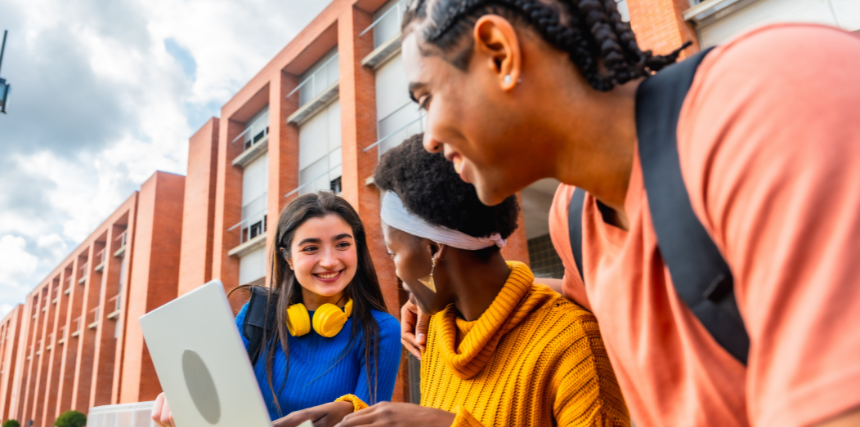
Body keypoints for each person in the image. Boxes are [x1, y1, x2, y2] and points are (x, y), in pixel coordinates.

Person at [396, 1, 860, 427]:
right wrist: (441, 294)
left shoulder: (768, 102)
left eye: (427, 99)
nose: (430, 139)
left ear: (500, 53)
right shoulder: (574, 215)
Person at [332, 134, 628, 427]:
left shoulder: (575, 344)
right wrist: (355, 417)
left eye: (393, 252)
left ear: (433, 250)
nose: (396, 271)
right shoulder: (438, 327)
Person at [152, 192, 402, 427]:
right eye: (310, 248)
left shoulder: (380, 329)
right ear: (287, 258)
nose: (329, 261)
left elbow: (367, 421)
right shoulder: (257, 315)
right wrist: (185, 404)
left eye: (343, 244)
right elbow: (221, 406)